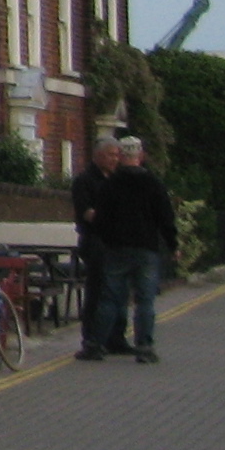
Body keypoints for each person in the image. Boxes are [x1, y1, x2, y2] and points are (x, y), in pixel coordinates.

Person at [77, 135, 177, 364]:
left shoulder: (110, 184)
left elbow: (101, 219)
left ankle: (95, 345)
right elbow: (166, 217)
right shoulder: (153, 183)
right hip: (146, 249)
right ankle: (144, 348)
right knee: (145, 301)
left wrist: (108, 239)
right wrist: (172, 245)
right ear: (141, 156)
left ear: (121, 156)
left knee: (109, 299)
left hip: (116, 249)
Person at [71, 139, 131, 355]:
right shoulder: (84, 181)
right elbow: (87, 213)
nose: (115, 159)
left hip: (117, 242)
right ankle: (91, 340)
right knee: (97, 291)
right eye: (111, 155)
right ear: (98, 156)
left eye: (117, 155)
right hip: (95, 241)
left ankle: (116, 338)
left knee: (120, 291)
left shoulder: (118, 180)